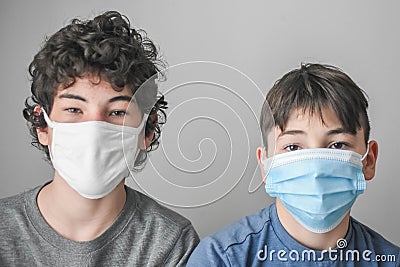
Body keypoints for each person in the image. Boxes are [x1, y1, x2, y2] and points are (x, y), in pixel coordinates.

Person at [0, 11, 199, 266]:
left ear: (146, 131)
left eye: (117, 112)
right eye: (73, 110)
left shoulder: (170, 242)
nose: (94, 130)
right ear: (43, 126)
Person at [187, 63, 400, 266]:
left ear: (369, 160)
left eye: (337, 145)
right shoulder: (221, 259)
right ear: (265, 165)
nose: (315, 167)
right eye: (293, 147)